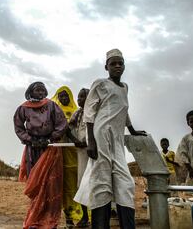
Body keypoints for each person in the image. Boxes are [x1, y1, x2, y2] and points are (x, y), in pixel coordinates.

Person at [74, 49, 146, 229]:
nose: (117, 66)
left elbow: (123, 109)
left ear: (124, 66)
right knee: (101, 180)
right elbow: (89, 112)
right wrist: (91, 141)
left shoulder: (125, 87)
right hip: (101, 134)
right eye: (113, 63)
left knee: (126, 182)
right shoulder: (100, 84)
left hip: (117, 138)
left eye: (120, 63)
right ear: (106, 66)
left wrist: (132, 129)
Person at [14, 81, 67, 229]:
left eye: (43, 90)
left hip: (50, 148)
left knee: (51, 185)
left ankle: (50, 221)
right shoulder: (23, 108)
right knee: (36, 184)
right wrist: (31, 140)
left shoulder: (52, 106)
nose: (41, 92)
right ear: (30, 92)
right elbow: (18, 127)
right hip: (33, 149)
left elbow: (62, 124)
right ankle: (36, 219)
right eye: (37, 90)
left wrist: (50, 139)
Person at [51, 86, 82, 227]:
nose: (64, 99)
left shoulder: (77, 112)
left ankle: (81, 216)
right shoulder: (55, 112)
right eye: (61, 96)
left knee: (76, 182)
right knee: (63, 186)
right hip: (59, 153)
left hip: (75, 153)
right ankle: (68, 217)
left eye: (66, 96)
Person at [67, 88, 90, 228]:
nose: (79, 99)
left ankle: (99, 217)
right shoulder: (77, 113)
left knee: (96, 184)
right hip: (82, 152)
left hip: (96, 153)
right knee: (82, 184)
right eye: (79, 97)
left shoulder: (95, 112)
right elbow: (67, 129)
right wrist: (76, 140)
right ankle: (85, 217)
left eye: (83, 97)